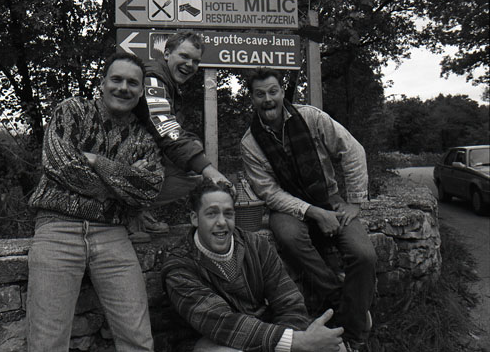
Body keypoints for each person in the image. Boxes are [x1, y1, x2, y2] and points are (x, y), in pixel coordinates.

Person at [26, 52, 164, 351]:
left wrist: (97, 162)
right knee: (47, 341)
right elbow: (61, 166)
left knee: (137, 338)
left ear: (141, 91)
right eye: (116, 79)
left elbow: (149, 190)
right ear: (102, 84)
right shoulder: (72, 110)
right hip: (58, 229)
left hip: (113, 234)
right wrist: (123, 181)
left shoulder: (142, 137)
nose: (123, 88)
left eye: (132, 83)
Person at [239, 68, 376, 352]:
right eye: (260, 94)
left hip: (330, 197)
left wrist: (354, 202)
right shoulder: (250, 143)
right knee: (288, 236)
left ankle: (351, 333)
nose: (268, 99)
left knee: (364, 255)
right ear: (252, 98)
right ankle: (342, 303)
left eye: (273, 91)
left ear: (282, 92)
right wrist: (314, 213)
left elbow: (352, 150)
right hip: (288, 206)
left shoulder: (311, 117)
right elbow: (270, 193)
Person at [161, 179, 347, 352]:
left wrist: (291, 342)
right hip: (211, 341)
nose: (222, 222)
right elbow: (222, 324)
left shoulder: (256, 246)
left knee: (336, 347)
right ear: (194, 218)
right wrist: (297, 342)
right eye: (211, 214)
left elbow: (289, 302)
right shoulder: (180, 268)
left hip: (266, 334)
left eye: (228, 213)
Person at [132, 31, 231, 240]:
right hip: (122, 158)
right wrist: (209, 170)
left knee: (192, 160)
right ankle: (127, 213)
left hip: (134, 156)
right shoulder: (154, 78)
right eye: (184, 56)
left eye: (195, 61)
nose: (190, 65)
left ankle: (138, 210)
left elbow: (173, 126)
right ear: (167, 54)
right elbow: (165, 127)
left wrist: (194, 142)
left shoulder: (168, 82)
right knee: (196, 172)